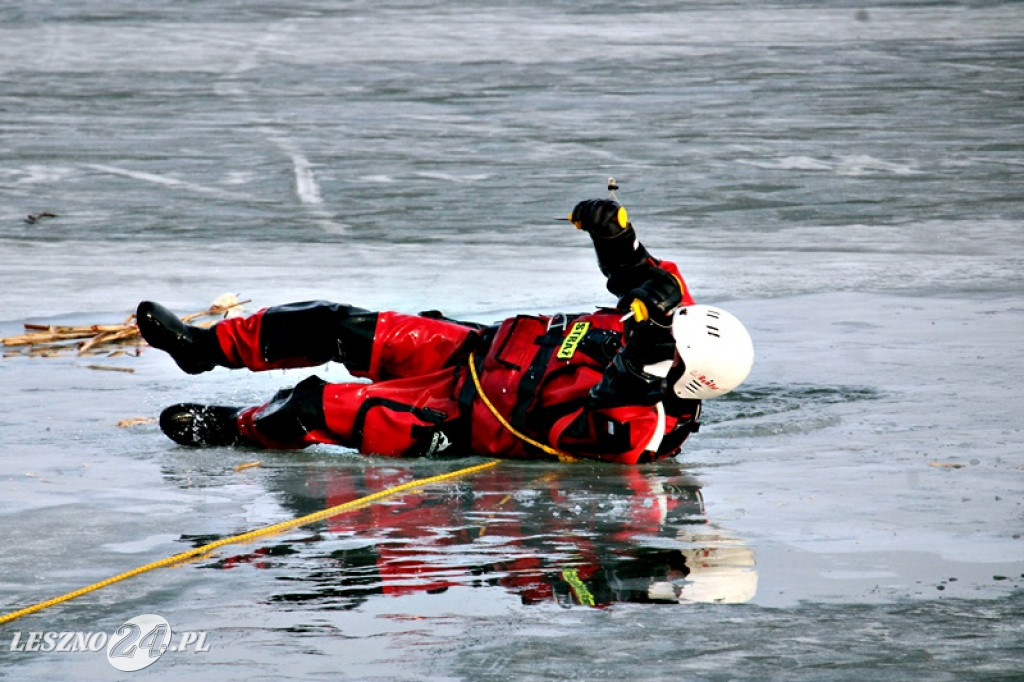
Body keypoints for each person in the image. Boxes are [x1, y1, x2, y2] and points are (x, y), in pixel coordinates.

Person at [136, 198, 754, 464]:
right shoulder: (680, 328)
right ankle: (203, 348)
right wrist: (615, 233)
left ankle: (232, 428)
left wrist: (641, 361)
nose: (664, 328)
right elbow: (645, 279)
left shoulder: (641, 427)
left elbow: (606, 406)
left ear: (685, 374)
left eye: (670, 341)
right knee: (336, 324)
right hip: (477, 347)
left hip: (457, 413)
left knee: (310, 407)